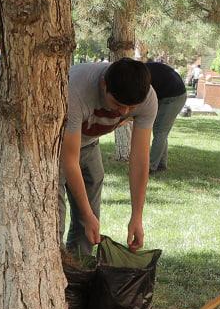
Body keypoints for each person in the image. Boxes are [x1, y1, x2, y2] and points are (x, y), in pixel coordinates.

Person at [62, 58, 158, 256]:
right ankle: (50, 267)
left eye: (131, 108)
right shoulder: (76, 90)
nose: (123, 112)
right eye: (118, 104)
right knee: (53, 211)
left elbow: (140, 160)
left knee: (91, 201)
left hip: (88, 144)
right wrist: (87, 215)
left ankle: (79, 265)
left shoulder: (147, 99)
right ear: (104, 84)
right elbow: (69, 160)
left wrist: (137, 217)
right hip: (52, 148)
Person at [145, 61, 187, 173]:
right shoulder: (144, 70)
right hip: (166, 96)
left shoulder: (142, 75)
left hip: (174, 97)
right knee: (161, 131)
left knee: (160, 131)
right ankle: (161, 165)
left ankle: (151, 166)